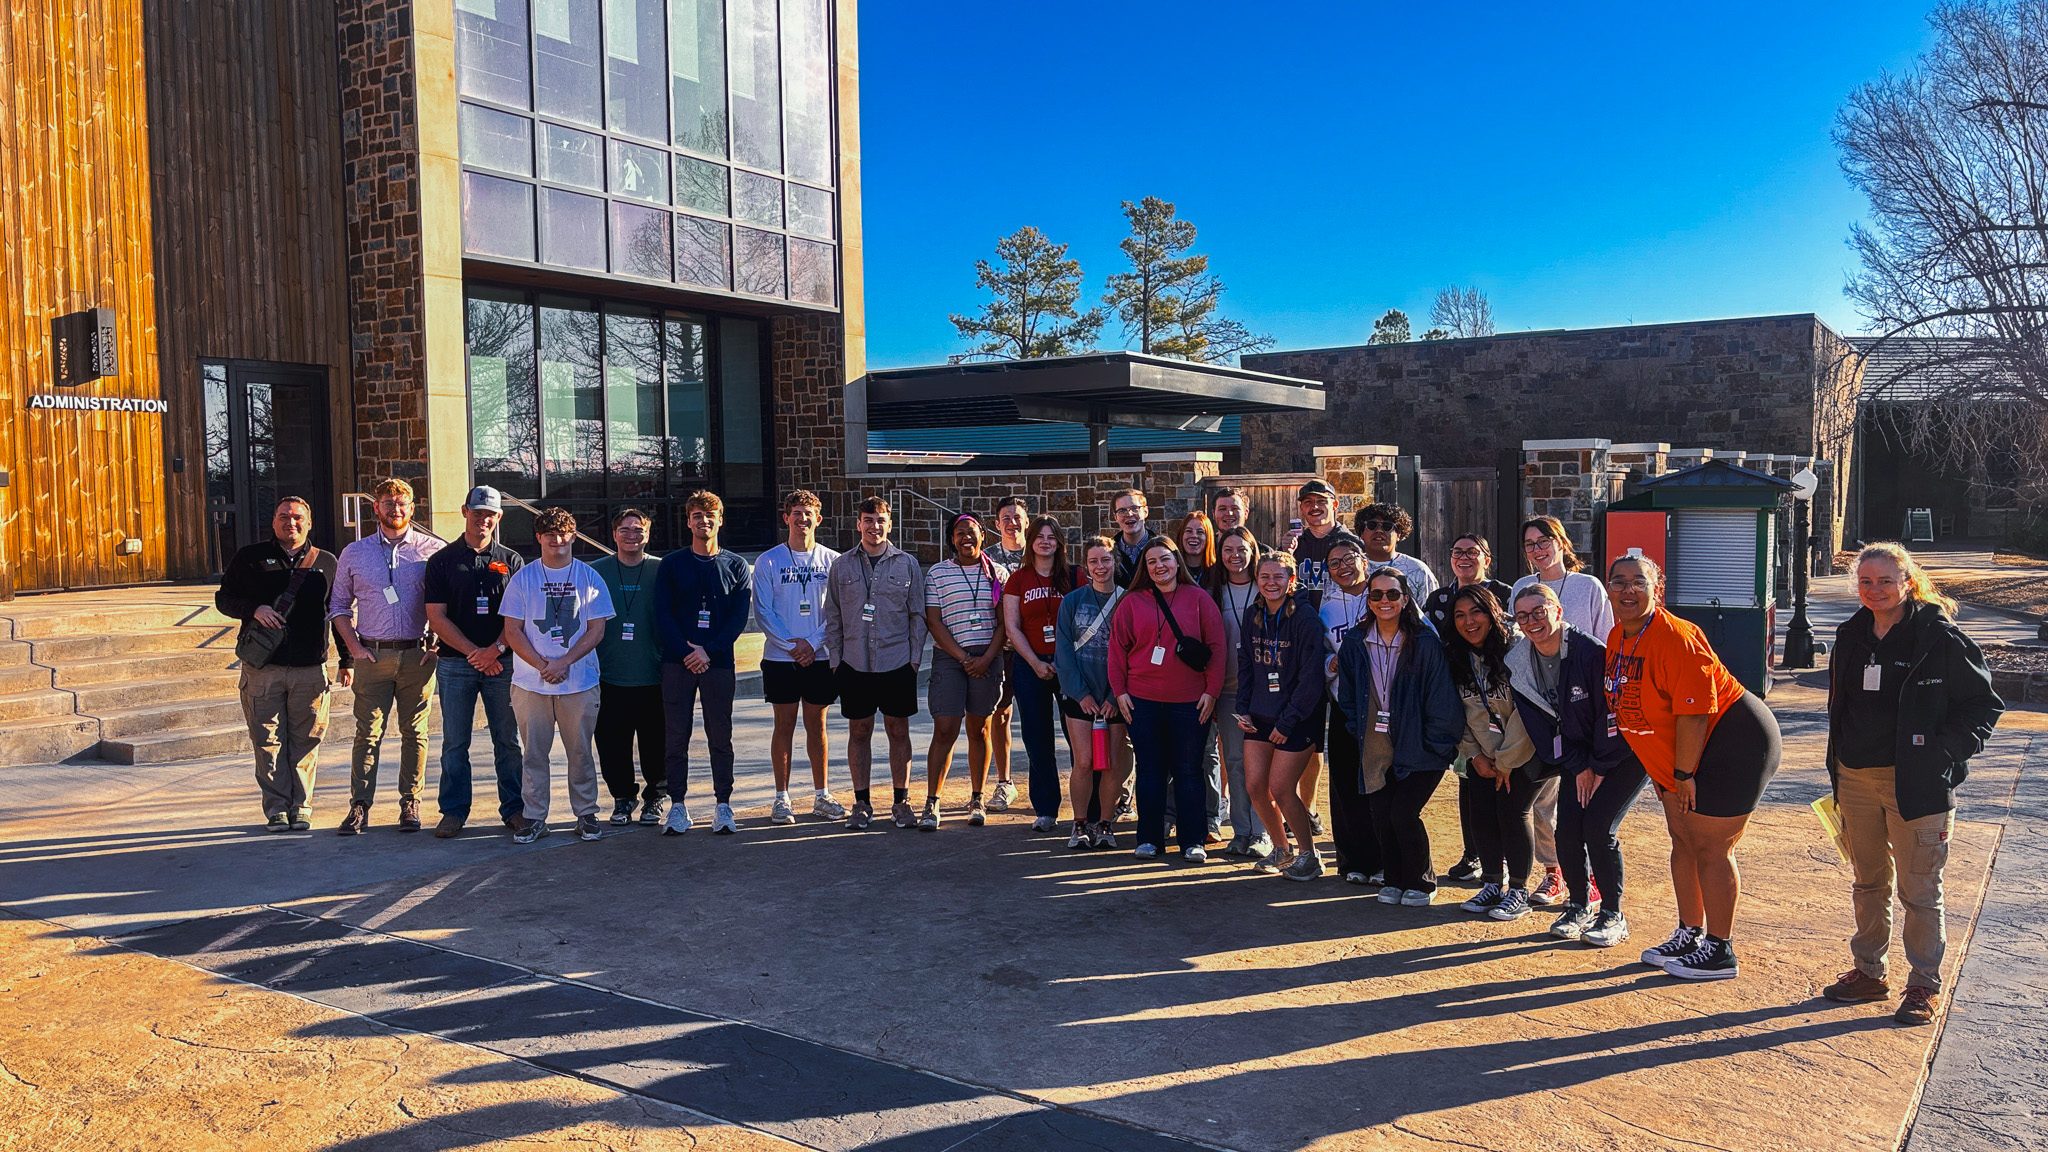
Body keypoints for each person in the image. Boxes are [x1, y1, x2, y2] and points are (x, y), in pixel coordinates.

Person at [1820, 544, 2002, 1026]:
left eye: (1884, 581)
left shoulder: (1937, 636)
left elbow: (1982, 707)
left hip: (1915, 784)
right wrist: (1837, 768)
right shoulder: (1852, 633)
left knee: (1920, 890)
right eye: (1865, 581)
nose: (1873, 590)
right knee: (1868, 882)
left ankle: (1923, 984)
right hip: (1854, 779)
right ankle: (1868, 973)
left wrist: (1941, 753)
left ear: (1907, 581)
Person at [1607, 554, 1782, 981]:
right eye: (1620, 582)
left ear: (1657, 590)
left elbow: (1694, 714)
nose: (1629, 590)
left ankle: (1721, 950)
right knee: (1682, 840)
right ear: (1608, 589)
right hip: (1679, 756)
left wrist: (1683, 776)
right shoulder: (1618, 636)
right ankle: (1690, 931)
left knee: (1710, 847)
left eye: (1639, 582)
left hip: (1729, 740)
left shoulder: (1678, 637)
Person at [1508, 583, 1644, 949]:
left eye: (1539, 611)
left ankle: (1613, 914)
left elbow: (1609, 715)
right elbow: (1541, 727)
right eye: (1523, 616)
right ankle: (1578, 904)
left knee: (1599, 828)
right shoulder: (1519, 663)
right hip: (1578, 756)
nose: (1532, 622)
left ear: (1558, 611)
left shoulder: (1589, 653)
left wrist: (1597, 765)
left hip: (1622, 753)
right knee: (1567, 831)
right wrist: (1579, 764)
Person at [216, 496, 351, 832]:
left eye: (297, 518)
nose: (290, 523)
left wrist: (347, 658)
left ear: (309, 522)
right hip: (264, 668)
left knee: (307, 740)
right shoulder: (250, 558)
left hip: (310, 668)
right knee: (267, 739)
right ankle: (277, 807)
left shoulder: (328, 563)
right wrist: (254, 609)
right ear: (273, 521)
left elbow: (337, 614)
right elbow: (223, 599)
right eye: (283, 517)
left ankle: (301, 806)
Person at [1335, 567, 1462, 906]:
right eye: (1376, 595)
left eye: (1392, 594)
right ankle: (1393, 879)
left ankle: (1421, 882)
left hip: (1420, 746)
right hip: (1375, 745)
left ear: (1406, 599)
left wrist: (1436, 745)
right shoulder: (1355, 641)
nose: (1384, 601)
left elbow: (1441, 698)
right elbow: (1346, 694)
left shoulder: (1424, 642)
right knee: (1381, 815)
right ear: (1369, 600)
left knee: (1403, 814)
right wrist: (1355, 727)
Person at [327, 477, 444, 836]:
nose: (395, 509)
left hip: (416, 657)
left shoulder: (432, 550)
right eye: (387, 502)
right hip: (372, 657)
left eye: (401, 503)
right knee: (367, 733)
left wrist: (437, 643)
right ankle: (359, 805)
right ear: (375, 508)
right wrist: (354, 649)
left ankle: (411, 803)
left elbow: (447, 603)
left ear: (413, 508)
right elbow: (338, 606)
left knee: (416, 733)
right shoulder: (355, 552)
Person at [1513, 515, 1615, 907]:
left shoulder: (1587, 587)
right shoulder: (1522, 588)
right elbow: (1520, 644)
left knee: (1584, 800)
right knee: (1544, 801)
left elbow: (1604, 640)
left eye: (1544, 541)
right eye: (1530, 544)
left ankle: (1588, 877)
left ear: (1561, 543)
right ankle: (1554, 872)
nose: (1538, 549)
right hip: (1542, 706)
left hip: (1584, 705)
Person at [500, 507, 614, 844]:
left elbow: (596, 630)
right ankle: (535, 817)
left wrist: (564, 661)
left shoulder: (589, 577)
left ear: (574, 535)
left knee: (580, 750)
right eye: (550, 533)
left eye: (564, 533)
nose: (558, 539)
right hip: (531, 684)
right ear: (539, 537)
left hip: (578, 682)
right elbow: (512, 630)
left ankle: (586, 814)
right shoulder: (524, 578)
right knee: (534, 753)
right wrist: (542, 665)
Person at [1110, 537, 1226, 862]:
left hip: (1190, 702)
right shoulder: (1132, 602)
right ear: (1145, 568)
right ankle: (1149, 839)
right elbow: (1117, 650)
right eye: (1152, 562)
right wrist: (1119, 691)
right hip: (1142, 701)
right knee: (1150, 772)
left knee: (1189, 771)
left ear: (1177, 561)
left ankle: (1193, 840)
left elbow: (1217, 648)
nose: (1159, 566)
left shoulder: (1199, 599)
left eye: (1165, 559)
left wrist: (1211, 691)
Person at [422, 486, 526, 839]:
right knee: (455, 742)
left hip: (503, 663)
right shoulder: (442, 561)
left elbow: (519, 617)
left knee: (508, 741)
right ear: (465, 511)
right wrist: (474, 654)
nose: (484, 519)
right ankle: (453, 811)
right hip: (455, 665)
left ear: (499, 518)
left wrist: (494, 650)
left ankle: (514, 809)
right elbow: (437, 618)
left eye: (491, 514)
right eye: (478, 512)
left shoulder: (512, 562)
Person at [654, 490, 753, 836]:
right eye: (697, 515)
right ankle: (677, 806)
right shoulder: (672, 564)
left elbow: (738, 618)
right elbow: (662, 614)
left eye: (710, 515)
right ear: (688, 521)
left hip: (718, 663)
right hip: (677, 662)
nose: (704, 521)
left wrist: (707, 651)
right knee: (676, 736)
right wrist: (686, 651)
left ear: (720, 520)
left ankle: (723, 804)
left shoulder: (737, 566)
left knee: (720, 736)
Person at [825, 497, 927, 831]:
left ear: (890, 523)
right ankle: (862, 803)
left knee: (899, 730)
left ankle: (901, 801)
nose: (875, 526)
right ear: (858, 524)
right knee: (860, 731)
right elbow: (834, 614)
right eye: (868, 520)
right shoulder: (841, 566)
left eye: (881, 520)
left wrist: (914, 659)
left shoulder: (907, 563)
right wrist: (836, 660)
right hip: (854, 663)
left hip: (897, 661)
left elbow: (917, 615)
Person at [1443, 585, 1543, 922]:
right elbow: (1459, 711)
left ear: (1492, 612)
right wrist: (1473, 755)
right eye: (1460, 615)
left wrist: (1505, 762)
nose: (1468, 622)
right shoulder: (1456, 655)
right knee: (1481, 813)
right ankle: (1490, 882)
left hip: (1523, 753)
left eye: (1476, 612)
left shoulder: (1519, 649)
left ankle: (1518, 890)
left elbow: (1527, 711)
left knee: (1513, 812)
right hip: (1482, 754)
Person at [1422, 533, 1516, 882]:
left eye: (1472, 552)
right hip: (1458, 697)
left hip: (1500, 700)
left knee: (1511, 788)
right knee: (1469, 778)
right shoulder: (1438, 598)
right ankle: (1474, 853)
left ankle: (1510, 862)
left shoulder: (1505, 593)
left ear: (1486, 558)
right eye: (1457, 552)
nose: (1464, 558)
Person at [751, 489, 846, 824]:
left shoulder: (833, 560)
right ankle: (782, 798)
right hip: (780, 658)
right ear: (786, 517)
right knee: (784, 725)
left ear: (818, 519)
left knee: (817, 726)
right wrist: (792, 646)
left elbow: (835, 612)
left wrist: (812, 643)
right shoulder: (768, 561)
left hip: (819, 658)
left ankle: (821, 794)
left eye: (808, 514)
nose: (802, 519)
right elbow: (762, 610)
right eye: (796, 513)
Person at [1235, 552, 1329, 881]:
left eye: (1278, 577)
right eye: (1265, 577)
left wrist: (1287, 722)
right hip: (1259, 713)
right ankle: (1281, 848)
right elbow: (1246, 663)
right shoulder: (1254, 615)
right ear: (1257, 581)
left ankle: (1309, 854)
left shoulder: (1305, 618)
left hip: (1297, 718)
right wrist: (1243, 707)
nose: (1271, 583)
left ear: (1291, 581)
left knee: (1281, 787)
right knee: (1255, 785)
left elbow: (1311, 679)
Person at [921, 512, 1011, 829]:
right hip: (950, 657)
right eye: (959, 533)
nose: (965, 537)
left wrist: (986, 657)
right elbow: (933, 620)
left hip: (988, 656)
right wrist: (962, 657)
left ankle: (976, 797)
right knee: (945, 727)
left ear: (983, 536)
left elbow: (1004, 622)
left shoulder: (996, 574)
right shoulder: (937, 573)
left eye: (971, 531)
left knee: (980, 728)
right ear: (951, 539)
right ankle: (932, 801)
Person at [1055, 536, 1131, 850]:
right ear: (1086, 565)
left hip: (1115, 696)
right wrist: (1080, 693)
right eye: (1094, 561)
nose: (1100, 567)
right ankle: (1079, 822)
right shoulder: (1072, 601)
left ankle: (1105, 822)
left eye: (1106, 560)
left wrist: (1115, 695)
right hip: (1080, 696)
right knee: (1084, 761)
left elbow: (1132, 652)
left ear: (1115, 563)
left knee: (1112, 762)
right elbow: (1063, 651)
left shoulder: (1127, 600)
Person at [591, 508, 665, 826]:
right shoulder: (596, 571)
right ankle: (622, 798)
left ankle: (655, 799)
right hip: (609, 675)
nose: (632, 535)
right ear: (614, 534)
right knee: (611, 743)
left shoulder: (662, 570)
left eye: (638, 530)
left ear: (647, 535)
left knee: (656, 743)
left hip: (654, 674)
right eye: (625, 529)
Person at [1002, 515, 1070, 832]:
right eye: (1040, 536)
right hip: (1030, 664)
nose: (1045, 541)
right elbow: (1012, 627)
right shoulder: (1018, 579)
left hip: (1069, 664)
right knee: (1037, 737)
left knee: (1078, 738)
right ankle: (1045, 808)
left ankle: (1091, 808)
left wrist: (1062, 659)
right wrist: (1035, 662)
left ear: (1059, 542)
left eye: (1051, 536)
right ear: (1031, 542)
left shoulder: (1074, 576)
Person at [1317, 536, 1379, 884]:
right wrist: (1332, 663)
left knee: (1379, 784)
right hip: (1344, 704)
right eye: (1334, 563)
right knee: (1344, 785)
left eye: (1349, 558)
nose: (1343, 567)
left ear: (1363, 560)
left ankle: (1383, 860)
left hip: (1383, 706)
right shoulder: (1327, 608)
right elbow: (1320, 654)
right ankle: (1352, 861)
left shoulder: (1385, 596)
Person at [1208, 526, 1270, 858]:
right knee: (1234, 762)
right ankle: (1241, 831)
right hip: (1228, 689)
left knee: (1258, 765)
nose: (1235, 556)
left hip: (1262, 691)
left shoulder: (1266, 587)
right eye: (1228, 549)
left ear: (1252, 550)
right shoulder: (1212, 591)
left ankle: (1262, 832)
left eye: (1241, 549)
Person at [984, 495, 1030, 813]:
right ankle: (1004, 782)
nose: (1012, 523)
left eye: (1017, 517)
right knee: (1000, 715)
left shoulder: (1042, 552)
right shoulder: (987, 559)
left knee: (1040, 718)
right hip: (1002, 649)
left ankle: (1051, 780)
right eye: (1006, 518)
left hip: (1038, 648)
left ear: (1027, 521)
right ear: (996, 523)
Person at [1352, 502, 1439, 602]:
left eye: (1387, 526)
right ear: (1361, 533)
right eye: (1372, 525)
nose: (1379, 531)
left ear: (1399, 534)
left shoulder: (1417, 570)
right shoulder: (1348, 567)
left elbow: (1429, 612)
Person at [1285, 479, 1345, 594]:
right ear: (1301, 508)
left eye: (1321, 501)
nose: (1315, 507)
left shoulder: (1350, 543)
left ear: (1335, 504)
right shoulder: (1294, 544)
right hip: (1300, 611)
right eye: (1308, 502)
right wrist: (1285, 553)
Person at [1109, 488, 1156, 587]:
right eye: (1122, 510)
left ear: (1145, 511)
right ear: (1115, 517)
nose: (1129, 514)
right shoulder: (1108, 553)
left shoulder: (1162, 549)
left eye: (1134, 508)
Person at [1177, 511, 1218, 589]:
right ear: (1181, 535)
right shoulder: (1173, 570)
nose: (1194, 536)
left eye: (1200, 532)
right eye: (1189, 531)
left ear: (1208, 538)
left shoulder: (1217, 572)